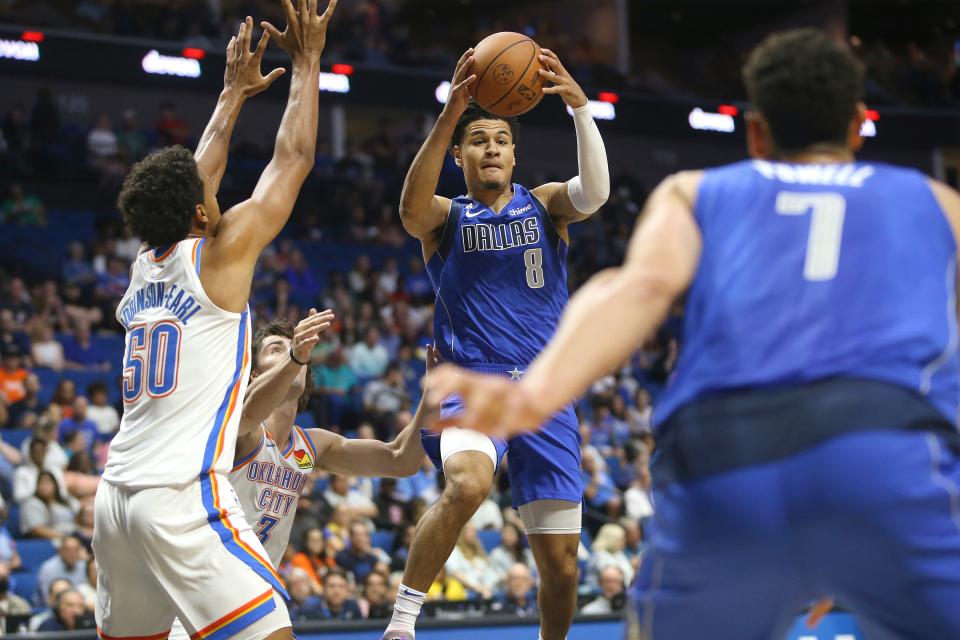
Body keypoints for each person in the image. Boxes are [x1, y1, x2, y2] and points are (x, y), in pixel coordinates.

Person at [428, 28, 960, 640]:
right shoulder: (934, 201)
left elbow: (634, 289)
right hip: (887, 451)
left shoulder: (697, 192)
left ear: (755, 132)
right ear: (858, 125)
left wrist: (536, 392)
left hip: (732, 451)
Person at [93, 5, 338, 639]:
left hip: (115, 499)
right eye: (210, 199)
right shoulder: (222, 255)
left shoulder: (146, 265)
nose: (217, 194)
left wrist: (231, 94)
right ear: (201, 218)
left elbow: (197, 173)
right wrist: (308, 62)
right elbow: (294, 160)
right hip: (181, 496)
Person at [383, 43, 609, 640]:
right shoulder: (445, 218)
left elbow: (595, 194)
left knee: (561, 568)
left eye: (501, 140)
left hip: (545, 394)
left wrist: (582, 111)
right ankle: (402, 622)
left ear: (514, 154)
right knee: (468, 483)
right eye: (478, 140)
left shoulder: (546, 206)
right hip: (471, 379)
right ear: (460, 156)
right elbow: (409, 209)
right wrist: (451, 113)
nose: (491, 148)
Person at [167, 312, 432, 639]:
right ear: (253, 375)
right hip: (195, 587)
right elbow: (248, 414)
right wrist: (293, 358)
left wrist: (431, 400)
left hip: (249, 590)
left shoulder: (312, 445)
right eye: (275, 349)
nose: (295, 351)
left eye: (296, 348)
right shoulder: (237, 427)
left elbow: (400, 461)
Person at [20, 470, 75, 540]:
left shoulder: (66, 501)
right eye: (41, 483)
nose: (44, 486)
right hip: (46, 541)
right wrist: (65, 538)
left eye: (48, 482)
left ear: (55, 485)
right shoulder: (32, 503)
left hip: (71, 535)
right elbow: (37, 529)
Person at [35, 535, 86, 606]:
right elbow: (48, 599)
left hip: (79, 607)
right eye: (68, 550)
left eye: (76, 550)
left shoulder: (84, 566)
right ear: (60, 551)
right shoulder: (48, 568)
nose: (72, 553)